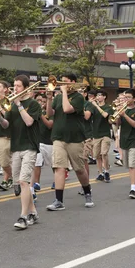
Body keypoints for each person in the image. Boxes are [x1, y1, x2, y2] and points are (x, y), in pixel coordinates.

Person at [45, 74, 94, 211]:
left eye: (65, 82)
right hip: (58, 137)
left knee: (79, 169)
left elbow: (67, 109)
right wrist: (49, 99)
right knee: (59, 167)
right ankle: (58, 200)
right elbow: (50, 114)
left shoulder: (79, 97)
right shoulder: (59, 97)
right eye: (62, 82)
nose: (62, 84)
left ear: (73, 82)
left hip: (75, 138)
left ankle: (87, 192)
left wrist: (65, 92)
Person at [0, 75, 41, 229]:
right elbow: (6, 125)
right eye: (14, 86)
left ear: (26, 88)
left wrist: (19, 104)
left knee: (24, 181)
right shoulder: (11, 105)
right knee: (19, 184)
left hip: (30, 146)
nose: (15, 89)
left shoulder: (34, 104)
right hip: (15, 147)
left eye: (18, 86)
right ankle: (33, 212)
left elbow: (29, 122)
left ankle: (23, 217)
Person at [114, 89, 135, 199]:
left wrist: (124, 115)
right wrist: (117, 117)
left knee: (132, 165)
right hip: (124, 140)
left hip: (134, 140)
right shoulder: (123, 110)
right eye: (125, 97)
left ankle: (132, 188)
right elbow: (117, 124)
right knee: (128, 166)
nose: (126, 99)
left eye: (129, 97)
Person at [90, 90, 114, 182]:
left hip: (105, 133)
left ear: (104, 97)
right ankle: (100, 173)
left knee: (104, 153)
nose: (98, 97)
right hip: (96, 133)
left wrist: (96, 105)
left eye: (100, 95)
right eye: (97, 95)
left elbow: (105, 115)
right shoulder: (93, 107)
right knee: (97, 156)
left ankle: (107, 171)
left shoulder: (108, 107)